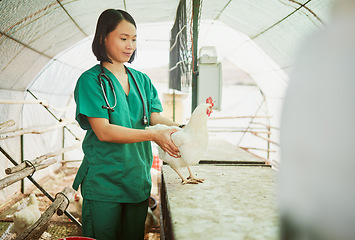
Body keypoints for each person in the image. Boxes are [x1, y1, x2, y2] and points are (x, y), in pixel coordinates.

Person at [72, 9, 182, 240]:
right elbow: (103, 131)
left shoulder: (142, 80)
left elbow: (153, 118)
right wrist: (153, 135)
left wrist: (180, 128)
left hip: (136, 179)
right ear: (103, 37)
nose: (130, 45)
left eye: (133, 39)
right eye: (123, 38)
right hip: (104, 181)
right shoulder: (91, 81)